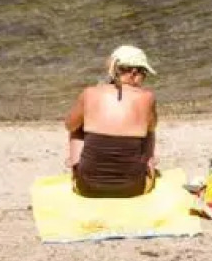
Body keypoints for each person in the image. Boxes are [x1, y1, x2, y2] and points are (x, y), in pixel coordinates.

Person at [65, 45, 158, 198]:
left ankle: (75, 164)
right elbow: (152, 126)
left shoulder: (89, 93)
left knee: (77, 128)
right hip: (133, 189)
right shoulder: (147, 97)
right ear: (134, 73)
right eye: (145, 73)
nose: (144, 78)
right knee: (148, 131)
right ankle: (148, 164)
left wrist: (92, 115)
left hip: (87, 188)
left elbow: (69, 125)